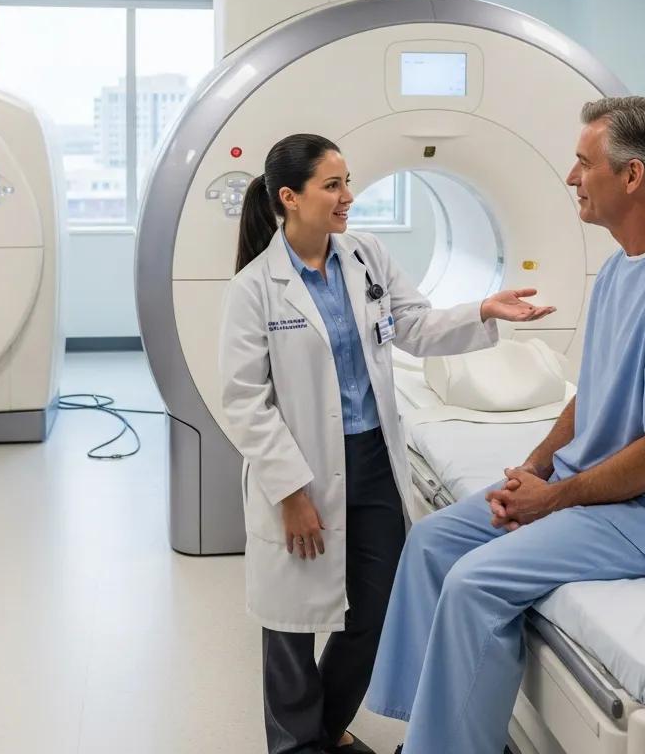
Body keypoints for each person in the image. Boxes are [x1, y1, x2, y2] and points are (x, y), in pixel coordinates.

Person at [366, 96, 645, 754]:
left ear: (631, 176)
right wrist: (536, 467)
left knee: (475, 581)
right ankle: (432, 730)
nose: (571, 177)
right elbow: (593, 395)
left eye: (584, 163)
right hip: (605, 487)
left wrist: (552, 501)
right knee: (434, 541)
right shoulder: (619, 267)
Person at [218, 133, 556, 754]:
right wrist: (291, 491)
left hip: (374, 459)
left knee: (375, 610)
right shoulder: (254, 289)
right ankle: (296, 746)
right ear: (289, 199)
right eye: (332, 185)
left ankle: (322, 733)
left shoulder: (366, 256)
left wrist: (484, 308)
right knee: (291, 625)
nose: (348, 196)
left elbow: (417, 327)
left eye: (348, 181)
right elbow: (243, 400)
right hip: (300, 470)